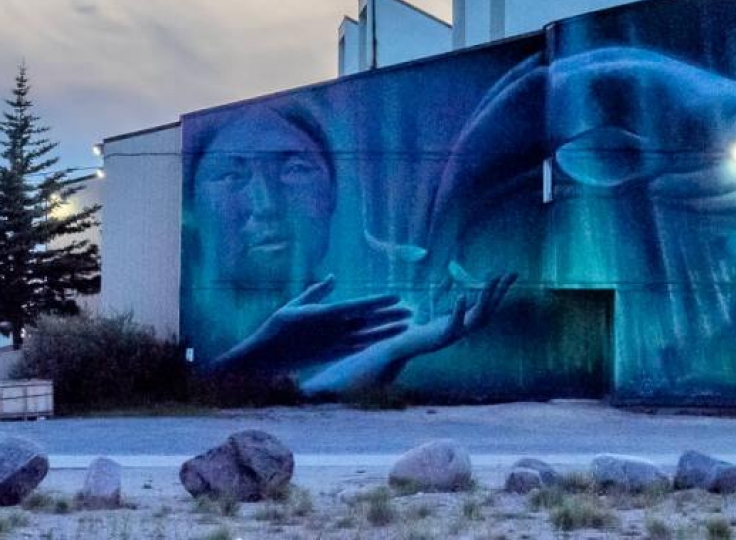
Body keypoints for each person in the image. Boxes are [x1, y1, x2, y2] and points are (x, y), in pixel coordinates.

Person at [187, 100, 513, 394]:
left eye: (294, 169)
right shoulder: (185, 319)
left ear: (333, 195)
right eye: (230, 175)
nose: (266, 203)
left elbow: (311, 394)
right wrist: (263, 354)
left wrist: (397, 346)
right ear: (192, 208)